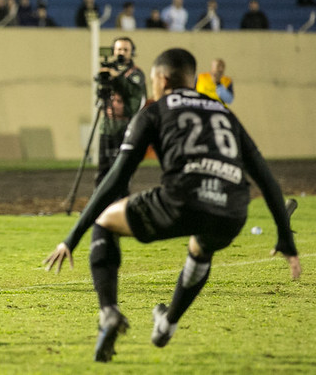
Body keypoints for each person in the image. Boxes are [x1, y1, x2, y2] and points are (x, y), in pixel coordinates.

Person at [44, 47, 299, 362]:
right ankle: (167, 324)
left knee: (105, 221)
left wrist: (72, 237)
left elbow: (115, 178)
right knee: (201, 248)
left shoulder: (154, 110)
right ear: (190, 80)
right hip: (232, 209)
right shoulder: (224, 112)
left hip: (182, 199)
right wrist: (285, 236)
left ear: (162, 79)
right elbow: (266, 178)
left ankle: (109, 312)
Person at [96, 37, 146, 195]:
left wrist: (116, 77)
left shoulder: (136, 74)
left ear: (132, 52)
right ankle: (100, 207)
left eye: (125, 50)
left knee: (121, 171)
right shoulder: (109, 72)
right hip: (107, 126)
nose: (121, 53)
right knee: (103, 169)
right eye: (118, 49)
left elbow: (134, 96)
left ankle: (120, 204)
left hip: (125, 127)